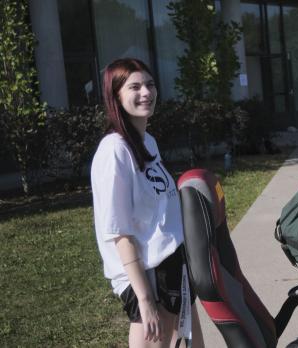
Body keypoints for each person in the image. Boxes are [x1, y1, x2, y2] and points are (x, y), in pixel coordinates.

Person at [91, 58, 204, 348]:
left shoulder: (147, 141)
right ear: (116, 95)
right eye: (135, 86)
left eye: (150, 84)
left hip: (171, 263)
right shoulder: (114, 150)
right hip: (147, 274)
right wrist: (144, 299)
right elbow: (119, 231)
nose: (146, 93)